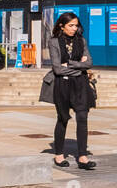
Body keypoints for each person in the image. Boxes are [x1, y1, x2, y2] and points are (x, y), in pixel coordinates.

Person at [40, 12, 95, 169]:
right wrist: (79, 65)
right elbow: (57, 69)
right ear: (61, 26)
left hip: (81, 84)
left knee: (83, 117)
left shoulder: (81, 41)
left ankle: (83, 157)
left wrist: (70, 64)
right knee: (63, 118)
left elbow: (89, 62)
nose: (74, 28)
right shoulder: (54, 42)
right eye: (71, 25)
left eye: (76, 25)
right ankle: (59, 154)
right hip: (62, 85)